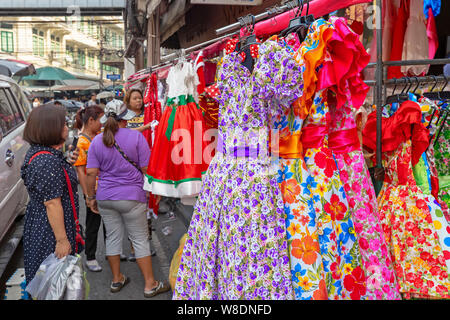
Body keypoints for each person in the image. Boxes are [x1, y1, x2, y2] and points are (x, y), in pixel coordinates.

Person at [85, 100, 170, 297]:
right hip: (133, 196)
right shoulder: (136, 137)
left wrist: (90, 197)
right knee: (139, 239)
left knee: (112, 237)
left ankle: (117, 279)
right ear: (126, 119)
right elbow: (147, 169)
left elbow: (91, 172)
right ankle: (150, 284)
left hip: (105, 196)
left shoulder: (97, 140)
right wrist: (153, 193)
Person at [21, 104, 81, 284]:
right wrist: (62, 240)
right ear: (49, 127)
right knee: (55, 284)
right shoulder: (46, 160)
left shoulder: (43, 153)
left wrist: (67, 162)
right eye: (63, 124)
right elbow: (52, 203)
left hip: (45, 226)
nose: (66, 127)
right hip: (50, 231)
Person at [123, 88, 157, 261]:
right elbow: (125, 135)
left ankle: (145, 245)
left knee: (147, 207)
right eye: (135, 98)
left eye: (140, 98)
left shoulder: (149, 114)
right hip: (131, 164)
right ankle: (133, 247)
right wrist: (145, 127)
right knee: (134, 208)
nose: (138, 101)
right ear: (128, 100)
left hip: (147, 162)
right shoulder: (125, 118)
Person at [73, 105, 105, 272]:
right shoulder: (82, 142)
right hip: (93, 191)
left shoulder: (99, 136)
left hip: (105, 188)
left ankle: (112, 252)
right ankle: (90, 257)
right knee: (93, 224)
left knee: (110, 222)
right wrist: (88, 196)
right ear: (91, 120)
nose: (103, 123)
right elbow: (81, 172)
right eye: (101, 120)